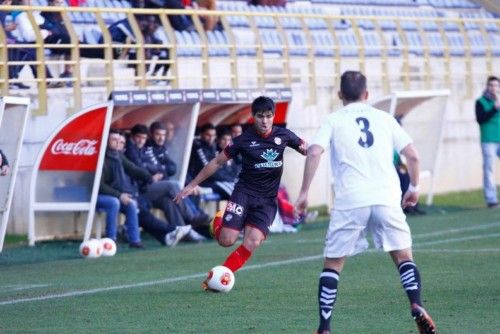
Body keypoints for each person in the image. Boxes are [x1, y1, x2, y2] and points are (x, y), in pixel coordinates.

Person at [295, 71, 437, 334]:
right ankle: (416, 304)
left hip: (351, 199)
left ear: (339, 95)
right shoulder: (385, 118)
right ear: (367, 95)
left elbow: (314, 151)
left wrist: (304, 193)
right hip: (386, 197)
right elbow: (413, 156)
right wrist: (414, 188)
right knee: (403, 256)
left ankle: (324, 327)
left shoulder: (333, 120)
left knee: (334, 264)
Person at [175, 96, 307, 290]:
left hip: (267, 200)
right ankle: (219, 221)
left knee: (252, 242)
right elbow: (217, 162)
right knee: (226, 240)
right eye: (260, 116)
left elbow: (305, 147)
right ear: (253, 117)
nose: (265, 121)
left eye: (269, 116)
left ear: (273, 116)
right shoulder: (243, 140)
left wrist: (308, 149)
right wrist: (192, 185)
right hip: (244, 194)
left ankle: (219, 277)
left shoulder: (284, 135)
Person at [100, 129, 191, 248]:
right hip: (121, 194)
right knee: (140, 209)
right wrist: (119, 195)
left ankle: (159, 236)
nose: (118, 143)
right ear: (106, 141)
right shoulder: (105, 158)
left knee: (146, 207)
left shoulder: (118, 156)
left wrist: (149, 178)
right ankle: (176, 227)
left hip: (133, 193)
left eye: (120, 141)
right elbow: (100, 185)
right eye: (114, 140)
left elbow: (134, 169)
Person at [126, 123, 209, 241]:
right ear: (132, 137)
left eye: (143, 138)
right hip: (141, 190)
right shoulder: (131, 149)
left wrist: (155, 170)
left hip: (150, 187)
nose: (141, 140)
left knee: (168, 202)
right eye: (138, 137)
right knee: (173, 185)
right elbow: (141, 168)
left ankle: (184, 232)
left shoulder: (143, 149)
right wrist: (151, 174)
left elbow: (169, 167)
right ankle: (191, 216)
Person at [188, 123, 235, 200]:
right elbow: (209, 171)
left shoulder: (213, 148)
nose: (211, 138)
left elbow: (221, 168)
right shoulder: (198, 148)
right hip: (202, 182)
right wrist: (229, 178)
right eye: (208, 135)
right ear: (201, 134)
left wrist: (231, 178)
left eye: (213, 135)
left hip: (216, 181)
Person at [475, 76, 500, 208]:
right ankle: (491, 199)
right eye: (491, 85)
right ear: (487, 86)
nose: (493, 88)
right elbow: (480, 119)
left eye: (496, 85)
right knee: (489, 169)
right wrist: (495, 108)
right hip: (488, 140)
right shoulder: (480, 102)